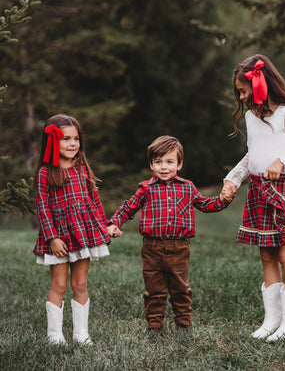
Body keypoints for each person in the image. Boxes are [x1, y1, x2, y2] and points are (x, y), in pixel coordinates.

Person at [221, 54, 285, 342]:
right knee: (266, 254)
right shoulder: (251, 117)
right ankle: (272, 319)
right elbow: (253, 156)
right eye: (239, 91)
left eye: (243, 89)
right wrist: (232, 178)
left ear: (260, 84)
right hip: (259, 190)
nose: (241, 96)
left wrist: (282, 162)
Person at [108, 135, 232, 335]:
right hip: (151, 248)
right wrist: (114, 223)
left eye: (169, 162)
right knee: (154, 289)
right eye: (158, 162)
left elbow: (205, 205)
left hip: (178, 247)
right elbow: (128, 207)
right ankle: (154, 326)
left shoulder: (187, 187)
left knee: (180, 288)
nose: (164, 167)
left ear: (179, 164)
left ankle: (183, 324)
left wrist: (223, 200)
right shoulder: (146, 189)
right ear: (151, 165)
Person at [33, 114, 122, 345]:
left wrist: (105, 226)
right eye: (65, 139)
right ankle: (54, 335)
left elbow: (95, 201)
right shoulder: (46, 172)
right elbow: (43, 209)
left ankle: (81, 333)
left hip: (83, 235)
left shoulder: (83, 169)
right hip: (58, 238)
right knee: (60, 284)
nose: (72, 143)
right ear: (52, 141)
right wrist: (52, 238)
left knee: (80, 284)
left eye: (76, 138)